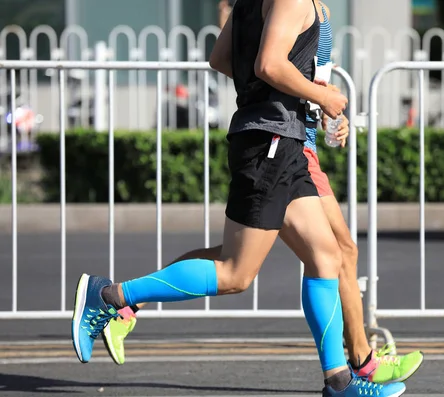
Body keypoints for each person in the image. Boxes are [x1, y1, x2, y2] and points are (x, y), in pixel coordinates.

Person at [70, 0, 407, 396]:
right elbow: (268, 65)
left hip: (284, 139)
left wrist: (293, 91)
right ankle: (109, 295)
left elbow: (222, 58)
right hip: (271, 141)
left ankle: (339, 382)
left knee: (327, 257)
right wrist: (319, 95)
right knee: (235, 273)